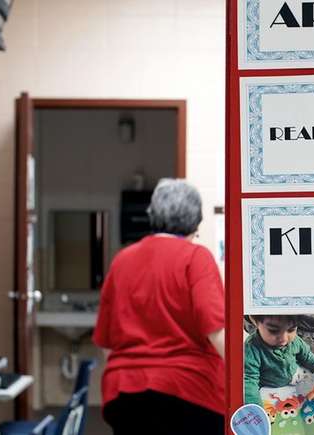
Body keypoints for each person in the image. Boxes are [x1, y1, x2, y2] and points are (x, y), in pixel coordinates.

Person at [93, 179, 225, 435]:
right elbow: (216, 332)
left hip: (126, 394)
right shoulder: (196, 258)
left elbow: (106, 344)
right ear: (196, 222)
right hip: (189, 392)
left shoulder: (123, 259)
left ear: (152, 215)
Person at [243, 315, 314, 406]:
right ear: (255, 321)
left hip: (295, 375)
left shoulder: (295, 341)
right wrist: (255, 409)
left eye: (291, 330)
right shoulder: (250, 349)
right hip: (269, 387)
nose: (284, 339)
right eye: (273, 331)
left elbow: (307, 356)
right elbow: (249, 381)